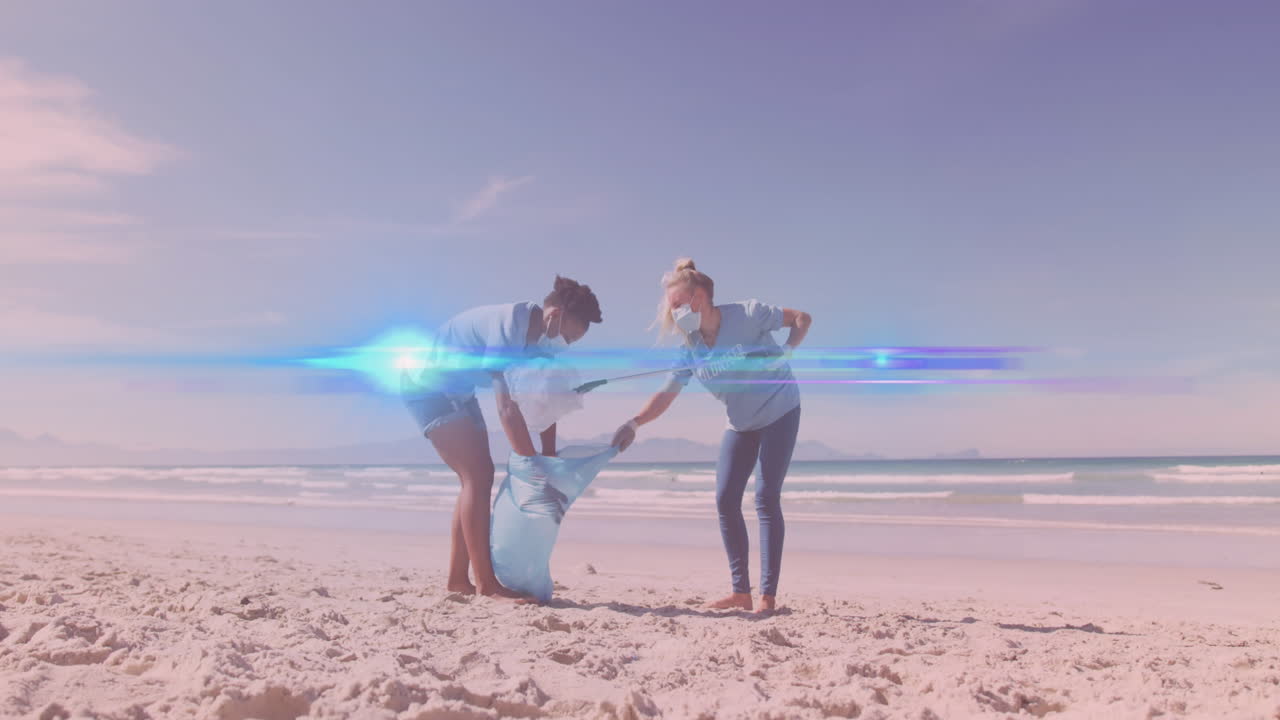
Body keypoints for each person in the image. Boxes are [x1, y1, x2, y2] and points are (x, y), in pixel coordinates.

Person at [611, 258, 811, 613]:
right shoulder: (690, 348)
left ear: (699, 298)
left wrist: (787, 352)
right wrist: (634, 424)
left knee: (765, 497)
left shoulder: (747, 314)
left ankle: (767, 596)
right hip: (741, 422)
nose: (673, 315)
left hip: (780, 408)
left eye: (677, 306)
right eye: (670, 308)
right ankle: (740, 592)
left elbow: (801, 318)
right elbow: (666, 394)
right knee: (725, 498)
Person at [403, 276, 603, 599]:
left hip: (459, 392)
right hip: (425, 387)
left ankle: (458, 580)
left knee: (479, 477)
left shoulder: (540, 342)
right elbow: (508, 409)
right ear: (554, 316)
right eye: (567, 337)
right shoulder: (508, 329)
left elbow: (543, 400)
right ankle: (486, 584)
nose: (564, 346)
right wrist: (534, 468)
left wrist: (548, 456)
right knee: (477, 475)